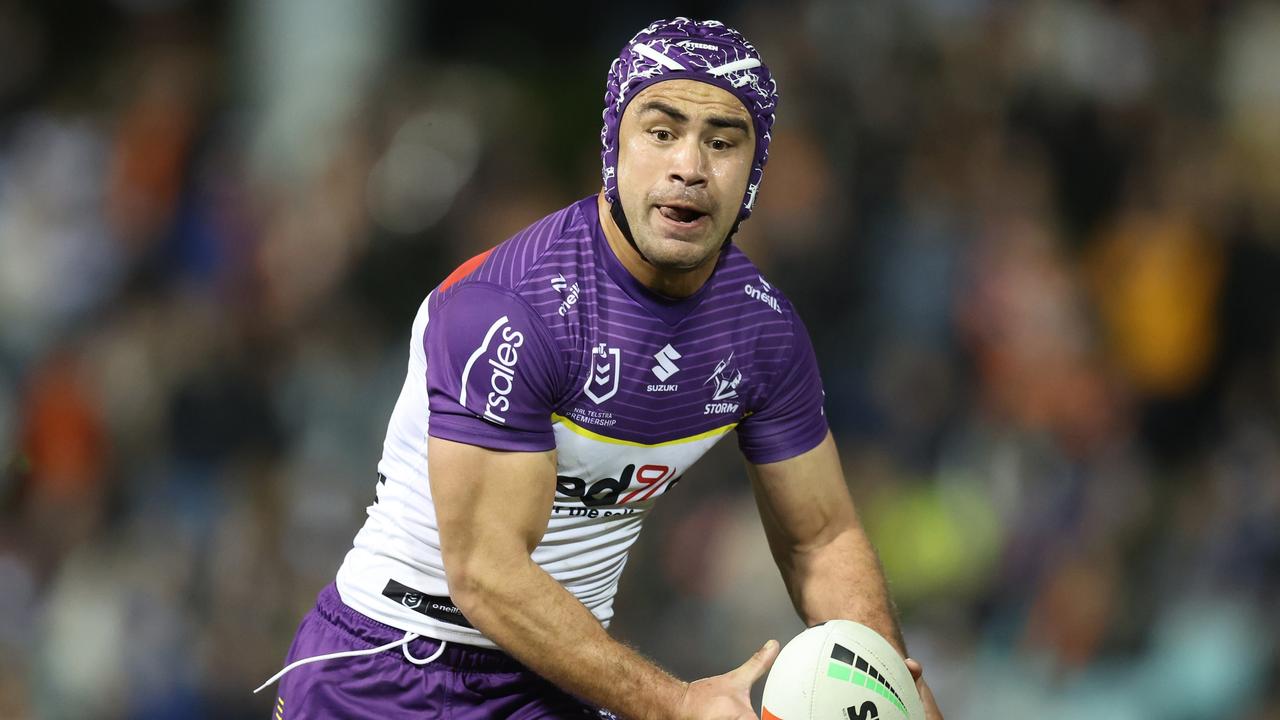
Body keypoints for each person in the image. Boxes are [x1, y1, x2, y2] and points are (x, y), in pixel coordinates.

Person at [259, 17, 942, 720]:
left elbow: (822, 538)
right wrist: (674, 703)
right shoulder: (506, 308)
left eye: (722, 141)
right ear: (613, 145)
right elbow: (486, 575)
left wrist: (887, 685)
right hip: (389, 670)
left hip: (556, 683)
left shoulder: (763, 332)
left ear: (754, 172)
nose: (690, 165)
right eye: (661, 130)